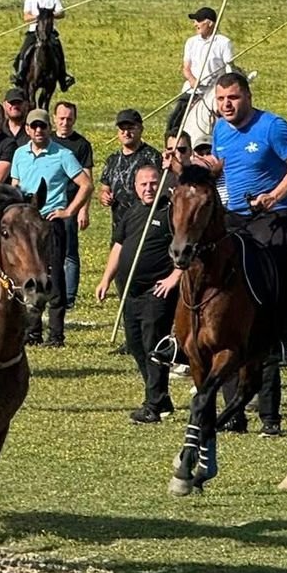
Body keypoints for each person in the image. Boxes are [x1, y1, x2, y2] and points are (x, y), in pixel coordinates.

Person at [207, 71, 287, 433]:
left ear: (248, 97)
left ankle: (280, 333)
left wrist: (275, 195)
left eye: (233, 98)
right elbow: (222, 166)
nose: (227, 105)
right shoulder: (220, 130)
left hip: (274, 214)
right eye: (221, 99)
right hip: (236, 215)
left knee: (273, 269)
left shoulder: (272, 127)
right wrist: (200, 167)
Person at [96, 162, 180, 423]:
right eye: (143, 184)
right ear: (135, 186)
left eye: (154, 183)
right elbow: (119, 246)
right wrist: (105, 279)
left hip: (156, 292)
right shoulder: (132, 211)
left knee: (153, 344)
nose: (149, 188)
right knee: (135, 345)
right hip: (129, 292)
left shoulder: (170, 212)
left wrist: (174, 277)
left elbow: (186, 248)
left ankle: (153, 406)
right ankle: (159, 396)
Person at [9, 108, 92, 346]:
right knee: (28, 275)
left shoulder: (63, 154)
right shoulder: (19, 154)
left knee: (54, 276)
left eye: (42, 126)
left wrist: (69, 211)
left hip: (50, 222)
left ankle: (56, 335)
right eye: (34, 126)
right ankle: (32, 332)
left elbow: (86, 185)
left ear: (49, 128)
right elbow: (15, 185)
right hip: (26, 225)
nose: (38, 130)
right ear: (27, 129)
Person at [52, 101, 94, 309]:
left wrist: (83, 209)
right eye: (61, 118)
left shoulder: (81, 145)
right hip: (49, 204)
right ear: (54, 119)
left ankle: (69, 297)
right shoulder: (47, 141)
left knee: (69, 252)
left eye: (69, 119)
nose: (65, 122)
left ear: (75, 119)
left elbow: (87, 179)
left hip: (70, 204)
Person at [174, 7, 234, 143]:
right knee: (174, 118)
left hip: (213, 92)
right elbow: (186, 68)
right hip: (192, 90)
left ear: (210, 23)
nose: (195, 24)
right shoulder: (191, 42)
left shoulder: (224, 42)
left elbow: (229, 68)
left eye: (198, 21)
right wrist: (192, 80)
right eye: (194, 21)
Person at [98, 109, 163, 226]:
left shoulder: (153, 157)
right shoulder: (112, 159)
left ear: (141, 129)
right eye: (122, 129)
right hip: (119, 225)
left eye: (130, 128)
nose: (126, 133)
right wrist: (104, 196)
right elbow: (104, 188)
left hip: (144, 223)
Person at [12, 0, 72, 91]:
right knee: (23, 53)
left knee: (59, 53)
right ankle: (19, 75)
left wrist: (50, 15)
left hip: (50, 33)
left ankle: (63, 78)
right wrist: (39, 17)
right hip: (34, 32)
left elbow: (61, 13)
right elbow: (26, 17)